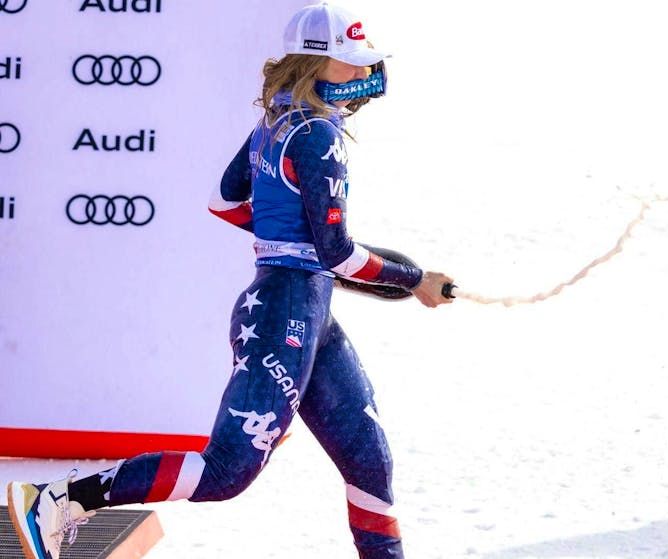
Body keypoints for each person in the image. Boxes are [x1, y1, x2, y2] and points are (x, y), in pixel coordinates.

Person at [6, 3, 453, 559]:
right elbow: (337, 253)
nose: (364, 72)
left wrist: (293, 248)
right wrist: (414, 279)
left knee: (369, 461)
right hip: (285, 315)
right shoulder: (318, 135)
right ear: (316, 64)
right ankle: (57, 499)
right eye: (351, 61)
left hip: (299, 310)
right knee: (225, 472)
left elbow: (225, 201)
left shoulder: (277, 120)